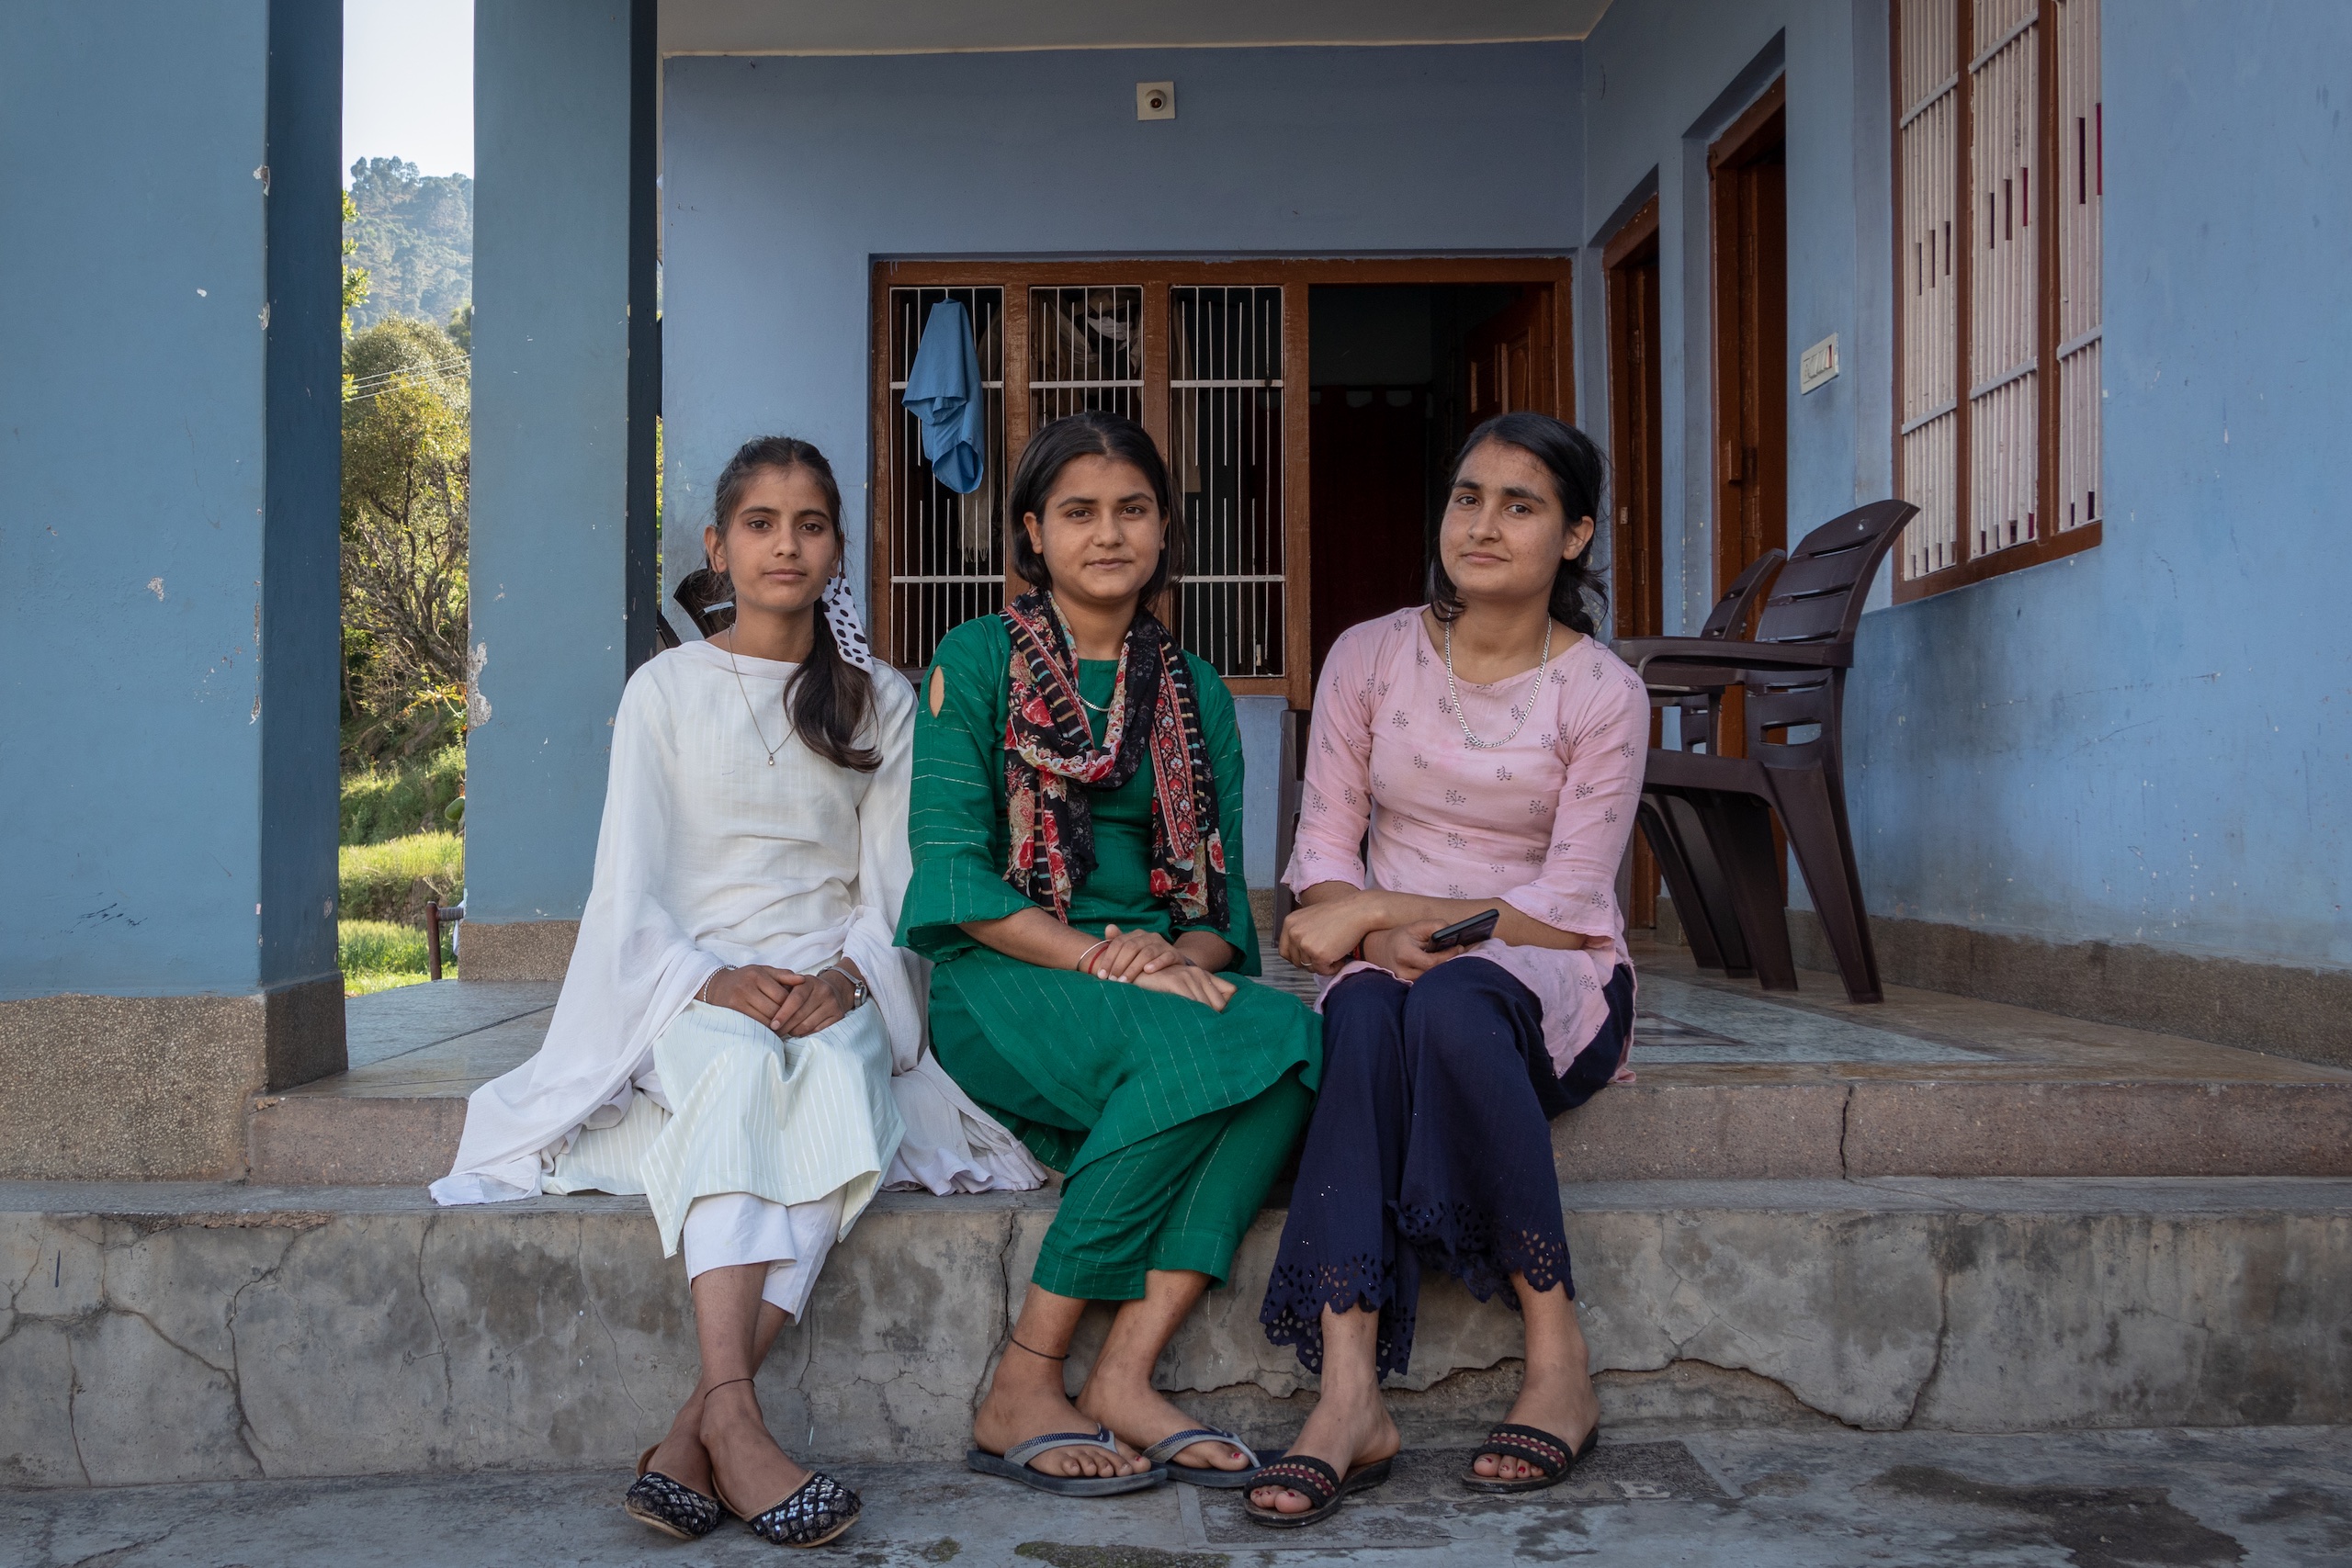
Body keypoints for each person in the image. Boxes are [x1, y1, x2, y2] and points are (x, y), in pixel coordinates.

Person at [432, 436, 1043, 1550]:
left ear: (838, 551)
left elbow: (891, 882)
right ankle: (740, 1419)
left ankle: (702, 1425)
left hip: (833, 977)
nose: (785, 545)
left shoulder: (879, 701)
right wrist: (706, 979)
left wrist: (851, 977)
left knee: (839, 1082)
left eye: (810, 524)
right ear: (718, 547)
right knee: (743, 1073)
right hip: (694, 981)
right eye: (760, 524)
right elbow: (632, 882)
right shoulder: (665, 691)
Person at [899, 411, 1322, 1496]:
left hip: (1158, 978)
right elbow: (951, 877)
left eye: (1132, 509)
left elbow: (1222, 909)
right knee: (1241, 1043)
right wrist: (1097, 960)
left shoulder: (1197, 690)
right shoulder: (974, 660)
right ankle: (1026, 1375)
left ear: (1164, 528)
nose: (1107, 533)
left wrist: (1169, 952)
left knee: (1291, 1045)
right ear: (1031, 533)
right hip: (1011, 975)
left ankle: (1125, 1373)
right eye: (1077, 512)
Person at [1242, 412, 1646, 1529]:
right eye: (1467, 496)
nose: (1483, 524)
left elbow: (1569, 909)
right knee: (1369, 1020)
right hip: (1384, 959)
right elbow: (1322, 848)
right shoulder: (1370, 654)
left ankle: (1557, 1357)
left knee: (1459, 1003)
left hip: (1546, 971)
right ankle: (1347, 1395)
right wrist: (1369, 931)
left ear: (1572, 539)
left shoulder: (1601, 692)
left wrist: (1390, 909)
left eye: (1521, 505)